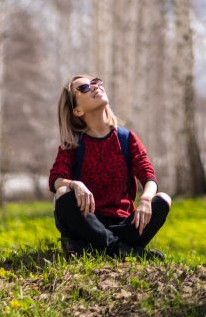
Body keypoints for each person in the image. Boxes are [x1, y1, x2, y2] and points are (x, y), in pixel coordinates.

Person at [49, 74, 172, 259]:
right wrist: (75, 184)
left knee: (163, 199)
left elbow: (149, 177)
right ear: (78, 111)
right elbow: (55, 180)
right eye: (84, 88)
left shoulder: (126, 138)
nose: (94, 87)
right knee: (63, 194)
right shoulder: (73, 144)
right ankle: (125, 251)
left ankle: (95, 249)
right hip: (88, 223)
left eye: (95, 82)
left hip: (125, 225)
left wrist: (146, 199)